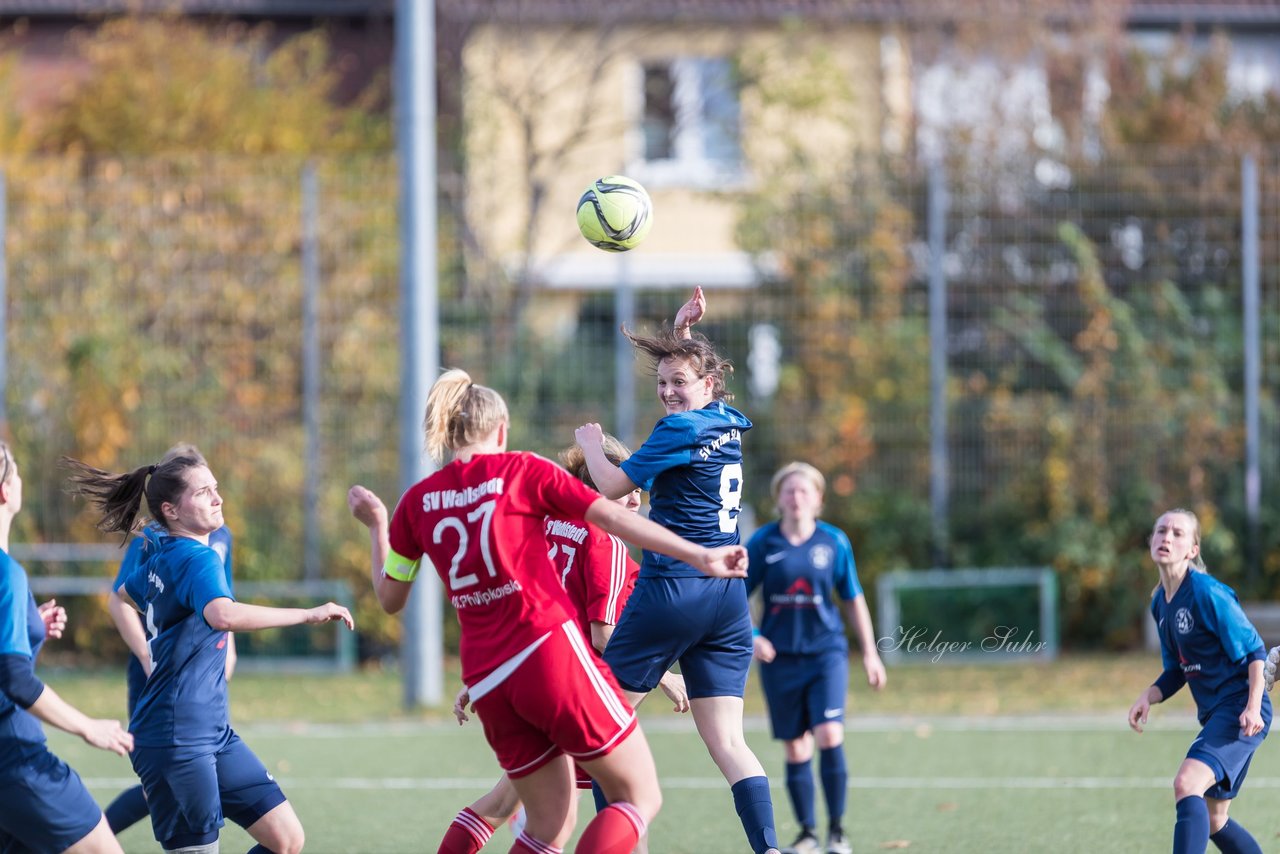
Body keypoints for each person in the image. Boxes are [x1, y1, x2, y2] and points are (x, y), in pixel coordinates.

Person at [347, 368, 749, 854]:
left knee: (547, 827)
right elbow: (611, 515)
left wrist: (377, 525)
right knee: (638, 795)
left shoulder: (418, 503)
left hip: (487, 674)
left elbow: (389, 600)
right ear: (501, 431)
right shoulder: (521, 471)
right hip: (545, 654)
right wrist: (700, 555)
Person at [408, 433, 687, 854]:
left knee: (505, 801)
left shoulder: (548, 524)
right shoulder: (605, 541)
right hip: (570, 684)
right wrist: (664, 676)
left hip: (517, 669)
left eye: (637, 488)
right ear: (597, 484)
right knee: (627, 800)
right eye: (625, 485)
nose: (634, 497)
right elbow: (604, 635)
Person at [574, 286, 781, 854]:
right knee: (731, 744)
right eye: (661, 383)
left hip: (673, 590)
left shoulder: (676, 430)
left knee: (599, 730)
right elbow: (694, 387)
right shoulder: (727, 422)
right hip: (727, 602)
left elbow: (613, 487)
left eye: (678, 383)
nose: (667, 392)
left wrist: (592, 447)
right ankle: (770, 849)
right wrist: (682, 334)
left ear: (707, 385)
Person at [64, 453, 354, 854]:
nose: (218, 498)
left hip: (214, 731)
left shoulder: (160, 549)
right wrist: (308, 613)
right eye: (204, 492)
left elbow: (125, 595)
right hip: (176, 738)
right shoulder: (198, 557)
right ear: (172, 510)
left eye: (215, 488)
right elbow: (222, 614)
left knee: (286, 839)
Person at [0, 440, 135, 854]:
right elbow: (14, 678)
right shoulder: (8, 574)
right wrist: (87, 726)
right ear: (5, 491)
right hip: (16, 762)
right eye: (17, 472)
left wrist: (29, 626)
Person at [745, 462, 886, 854]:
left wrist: (871, 654)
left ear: (819, 498)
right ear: (778, 498)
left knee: (829, 734)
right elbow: (736, 595)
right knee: (795, 747)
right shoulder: (763, 543)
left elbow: (853, 598)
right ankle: (807, 833)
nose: (796, 497)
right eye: (789, 491)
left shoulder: (834, 542)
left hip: (827, 654)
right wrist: (753, 635)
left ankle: (837, 832)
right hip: (779, 659)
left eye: (804, 491)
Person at [103, 442, 238, 837]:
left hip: (200, 675)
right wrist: (147, 656)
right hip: (158, 668)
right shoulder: (154, 539)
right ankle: (89, 840)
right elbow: (120, 599)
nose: (214, 496)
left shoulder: (219, 531)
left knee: (196, 770)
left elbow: (222, 601)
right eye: (201, 489)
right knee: (159, 781)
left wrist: (229, 646)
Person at [1127, 508, 1270, 854]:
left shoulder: (1207, 592)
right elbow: (1179, 669)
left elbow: (1256, 653)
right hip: (1217, 712)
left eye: (1178, 533)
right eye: (1161, 531)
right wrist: (1150, 694)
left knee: (1186, 782)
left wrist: (1253, 707)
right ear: (1151, 542)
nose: (1166, 538)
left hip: (1239, 708)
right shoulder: (1160, 602)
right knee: (1215, 818)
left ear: (1193, 549)